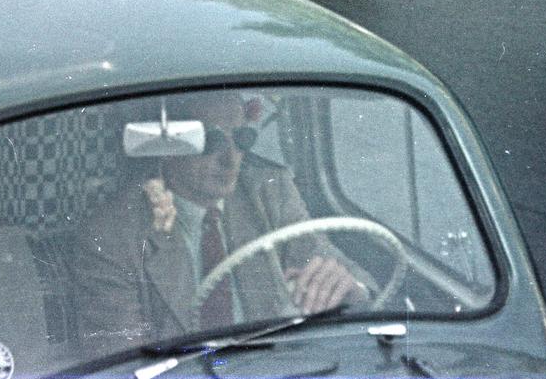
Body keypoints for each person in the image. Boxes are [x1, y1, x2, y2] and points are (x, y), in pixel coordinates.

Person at [72, 91, 368, 352]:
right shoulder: (113, 234)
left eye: (242, 139)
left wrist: (349, 289)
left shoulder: (271, 193)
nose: (231, 158)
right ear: (167, 144)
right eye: (211, 140)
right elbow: (121, 358)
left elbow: (353, 278)